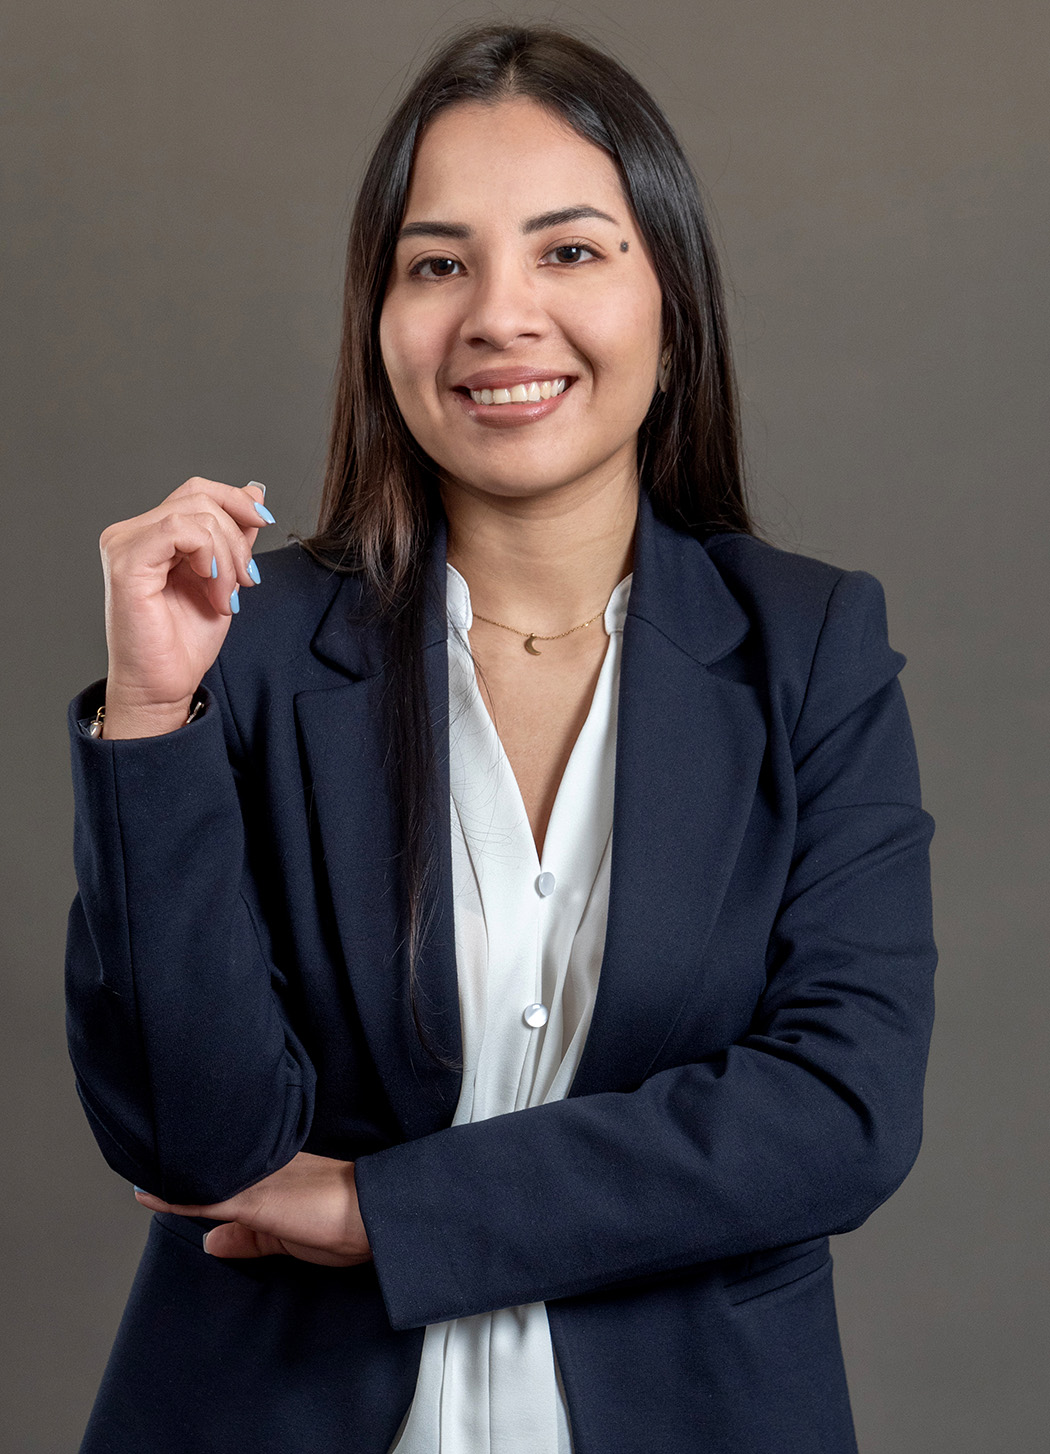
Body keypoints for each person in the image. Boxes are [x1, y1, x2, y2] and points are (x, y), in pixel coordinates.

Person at [64, 22, 937, 1454]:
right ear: (379, 321)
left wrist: (385, 1210)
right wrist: (153, 715)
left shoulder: (809, 649)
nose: (498, 317)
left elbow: (839, 1108)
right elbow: (192, 1143)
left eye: (570, 251)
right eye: (437, 265)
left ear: (671, 302)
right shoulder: (246, 644)